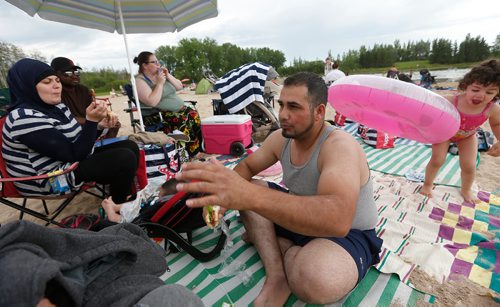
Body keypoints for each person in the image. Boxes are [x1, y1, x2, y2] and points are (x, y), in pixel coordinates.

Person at [175, 72, 383, 305]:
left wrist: (249, 196)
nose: (283, 115)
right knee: (250, 189)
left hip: (347, 233)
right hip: (299, 215)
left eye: (294, 107)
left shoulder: (339, 146)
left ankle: (283, 247)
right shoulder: (280, 139)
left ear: (319, 112)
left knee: (317, 280)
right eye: (281, 105)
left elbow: (337, 220)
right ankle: (277, 277)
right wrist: (220, 199)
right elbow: (246, 168)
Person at [3, 58, 139, 206]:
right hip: (48, 180)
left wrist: (99, 126)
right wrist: (91, 121)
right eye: (47, 82)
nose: (56, 86)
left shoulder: (57, 108)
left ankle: (117, 199)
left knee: (130, 145)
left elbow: (78, 140)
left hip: (67, 162)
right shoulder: (23, 117)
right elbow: (75, 153)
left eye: (57, 80)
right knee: (123, 158)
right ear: (27, 86)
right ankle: (118, 210)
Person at [421, 59, 500, 202]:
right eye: (475, 90)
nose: (481, 95)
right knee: (437, 160)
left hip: (467, 136)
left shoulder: (492, 108)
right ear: (466, 86)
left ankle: (466, 190)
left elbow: (496, 124)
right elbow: (430, 112)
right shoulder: (453, 100)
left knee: (469, 165)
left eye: (489, 92)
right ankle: (427, 184)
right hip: (444, 133)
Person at [134, 51, 202, 157]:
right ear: (145, 65)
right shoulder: (140, 81)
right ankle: (189, 152)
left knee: (192, 112)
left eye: (158, 61)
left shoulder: (160, 75)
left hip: (176, 109)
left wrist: (168, 75)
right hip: (157, 115)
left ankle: (199, 147)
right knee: (183, 118)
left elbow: (180, 86)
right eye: (154, 62)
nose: (158, 64)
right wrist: (160, 83)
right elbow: (152, 101)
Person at [51, 56, 120, 138]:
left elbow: (92, 110)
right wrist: (93, 121)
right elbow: (64, 118)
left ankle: (105, 148)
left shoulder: (83, 90)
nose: (74, 76)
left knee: (114, 124)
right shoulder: (55, 92)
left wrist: (107, 117)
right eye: (68, 73)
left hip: (88, 123)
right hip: (69, 128)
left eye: (76, 72)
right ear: (56, 74)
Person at [102, 178, 179, 223]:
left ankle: (113, 215)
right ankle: (116, 207)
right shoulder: (177, 202)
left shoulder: (161, 205)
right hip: (146, 211)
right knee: (138, 202)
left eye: (160, 194)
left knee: (136, 207)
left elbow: (142, 213)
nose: (159, 195)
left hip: (140, 220)